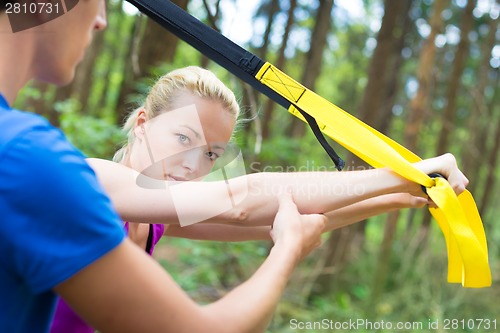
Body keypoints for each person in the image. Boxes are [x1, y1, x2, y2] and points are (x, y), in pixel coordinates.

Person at [0, 2, 327, 332]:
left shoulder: (155, 220)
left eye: (211, 155)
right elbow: (239, 204)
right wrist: (287, 251)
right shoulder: (78, 176)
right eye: (184, 139)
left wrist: (378, 184)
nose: (192, 166)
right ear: (143, 123)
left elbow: (288, 214)